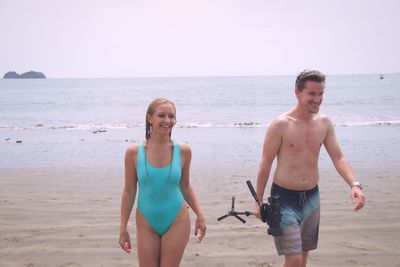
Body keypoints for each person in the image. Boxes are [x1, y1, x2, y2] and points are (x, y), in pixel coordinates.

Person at [254, 70, 366, 267]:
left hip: (312, 198)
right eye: (312, 94)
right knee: (294, 258)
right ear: (297, 92)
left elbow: (338, 157)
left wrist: (354, 184)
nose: (317, 99)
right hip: (283, 199)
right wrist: (258, 200)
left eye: (321, 94)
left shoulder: (324, 123)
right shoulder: (280, 125)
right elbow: (266, 163)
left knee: (304, 255)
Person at [119, 97, 206, 267]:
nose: (167, 121)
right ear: (149, 118)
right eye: (162, 115)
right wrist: (123, 228)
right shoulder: (133, 153)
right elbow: (129, 191)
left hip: (177, 220)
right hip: (146, 222)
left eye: (172, 116)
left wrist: (200, 215)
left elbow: (185, 185)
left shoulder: (183, 151)